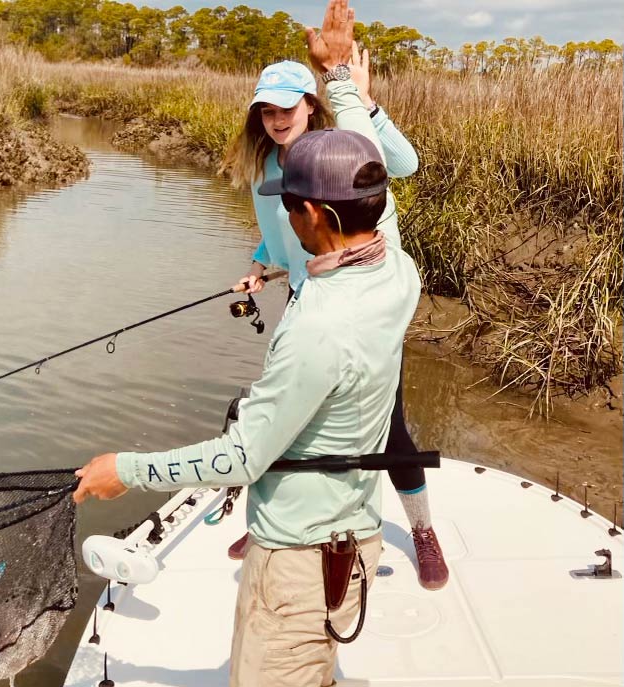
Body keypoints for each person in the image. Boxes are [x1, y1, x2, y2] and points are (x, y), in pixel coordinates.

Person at [74, 3, 422, 683]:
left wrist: (128, 469)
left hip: (295, 563)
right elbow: (368, 151)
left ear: (313, 216)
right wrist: (341, 83)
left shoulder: (319, 328)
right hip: (353, 537)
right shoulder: (397, 267)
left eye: (287, 201)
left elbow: (243, 454)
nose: (281, 210)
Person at [218, 8, 447, 591]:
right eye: (265, 111)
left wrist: (366, 105)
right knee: (284, 416)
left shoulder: (342, 145)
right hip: (303, 302)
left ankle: (422, 530)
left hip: (362, 302)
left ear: (311, 105)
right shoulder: (265, 167)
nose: (274, 121)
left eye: (285, 109)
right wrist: (257, 268)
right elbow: (276, 235)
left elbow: (406, 165)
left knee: (390, 427)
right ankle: (269, 523)